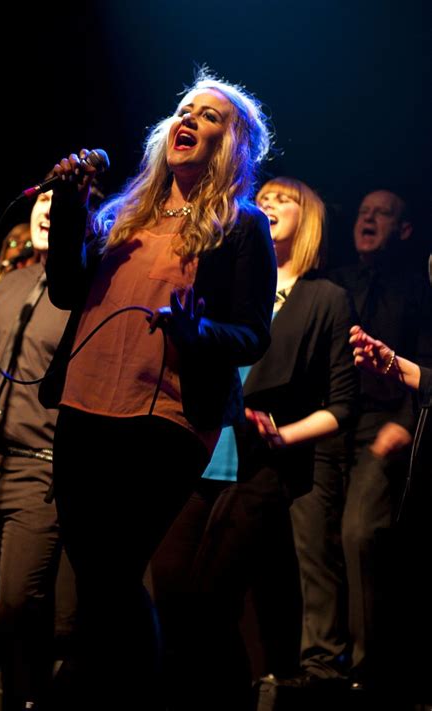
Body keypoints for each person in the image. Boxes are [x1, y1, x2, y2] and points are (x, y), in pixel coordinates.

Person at [40, 70, 277, 710]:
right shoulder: (122, 215)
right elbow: (66, 289)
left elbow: (253, 335)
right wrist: (69, 205)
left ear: (231, 143)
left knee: (115, 574)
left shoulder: (242, 226)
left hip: (167, 416)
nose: (190, 119)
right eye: (183, 109)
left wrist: (195, 330)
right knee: (98, 579)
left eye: (210, 115)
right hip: (83, 408)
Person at [150, 176, 357, 710]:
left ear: (307, 220)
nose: (266, 204)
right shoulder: (227, 287)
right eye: (261, 197)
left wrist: (281, 432)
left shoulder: (324, 298)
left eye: (282, 200)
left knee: (217, 604)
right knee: (170, 594)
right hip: (196, 445)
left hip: (261, 465)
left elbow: (342, 405)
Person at [282, 188, 432, 693]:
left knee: (359, 533)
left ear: (404, 229)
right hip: (328, 421)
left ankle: (368, 670)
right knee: (312, 538)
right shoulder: (331, 282)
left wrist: (407, 422)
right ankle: (320, 663)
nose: (368, 219)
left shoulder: (417, 289)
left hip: (382, 422)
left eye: (382, 213)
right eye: (363, 211)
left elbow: (424, 364)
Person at [0, 189, 70, 711]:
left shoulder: (87, 293)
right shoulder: (8, 286)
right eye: (42, 198)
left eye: (63, 200)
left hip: (39, 471)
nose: (47, 207)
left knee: (17, 608)